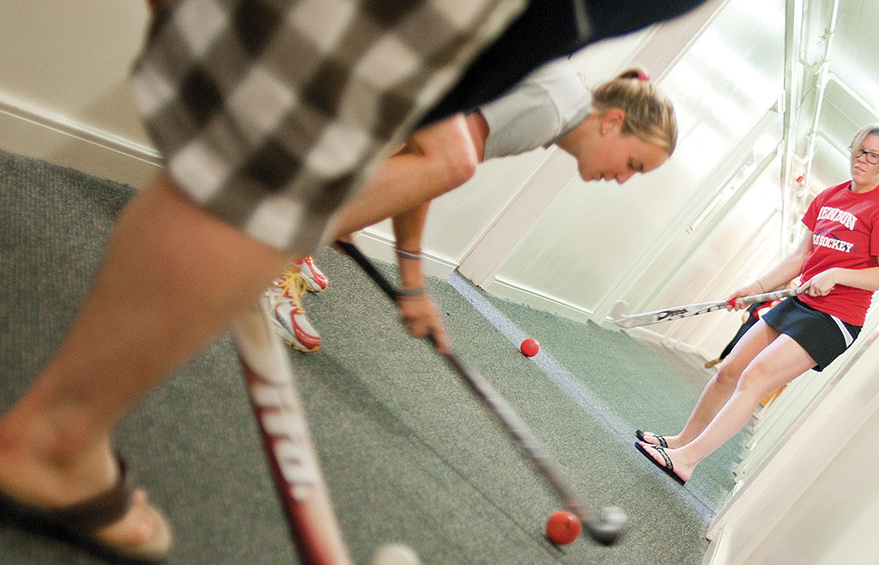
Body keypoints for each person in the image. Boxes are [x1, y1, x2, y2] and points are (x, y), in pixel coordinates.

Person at [0, 0, 879, 565]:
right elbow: (437, 139)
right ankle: (51, 442)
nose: (616, 180)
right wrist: (304, 199)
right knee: (271, 156)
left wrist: (403, 269)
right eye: (630, 166)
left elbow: (437, 144)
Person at [266, 61, 677, 353]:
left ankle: (291, 237)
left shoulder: (560, 110)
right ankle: (268, 257)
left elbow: (419, 154)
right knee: (453, 164)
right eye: (632, 164)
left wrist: (363, 219)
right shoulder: (549, 112)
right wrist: (410, 280)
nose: (623, 179)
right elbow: (438, 162)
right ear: (612, 123)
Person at [635, 125, 879, 486]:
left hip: (836, 318)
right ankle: (682, 441)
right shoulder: (828, 197)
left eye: (875, 156)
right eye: (861, 150)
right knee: (727, 371)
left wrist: (839, 274)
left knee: (755, 377)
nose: (863, 160)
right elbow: (799, 257)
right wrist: (756, 287)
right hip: (800, 302)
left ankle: (687, 460)